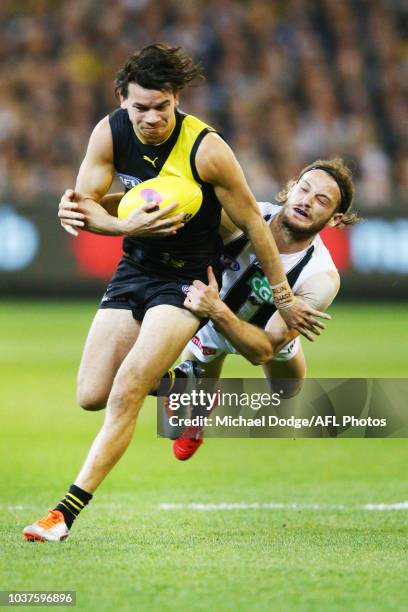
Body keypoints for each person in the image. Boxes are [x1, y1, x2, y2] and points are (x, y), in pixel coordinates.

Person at [23, 43, 328, 542]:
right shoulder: (110, 131)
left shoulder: (206, 148)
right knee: (91, 395)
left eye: (161, 107)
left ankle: (63, 514)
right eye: (140, 107)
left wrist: (283, 295)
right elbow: (85, 207)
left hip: (185, 283)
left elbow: (254, 221)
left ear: (177, 99)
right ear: (123, 99)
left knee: (124, 392)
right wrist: (127, 226)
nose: (150, 119)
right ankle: (182, 387)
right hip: (134, 271)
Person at [160, 159, 358, 460]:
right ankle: (198, 414)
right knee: (188, 396)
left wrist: (216, 310)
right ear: (291, 188)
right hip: (211, 318)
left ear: (335, 219)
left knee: (285, 393)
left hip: (265, 332)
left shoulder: (320, 277)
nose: (307, 201)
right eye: (304, 189)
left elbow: (262, 351)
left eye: (322, 200)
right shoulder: (241, 215)